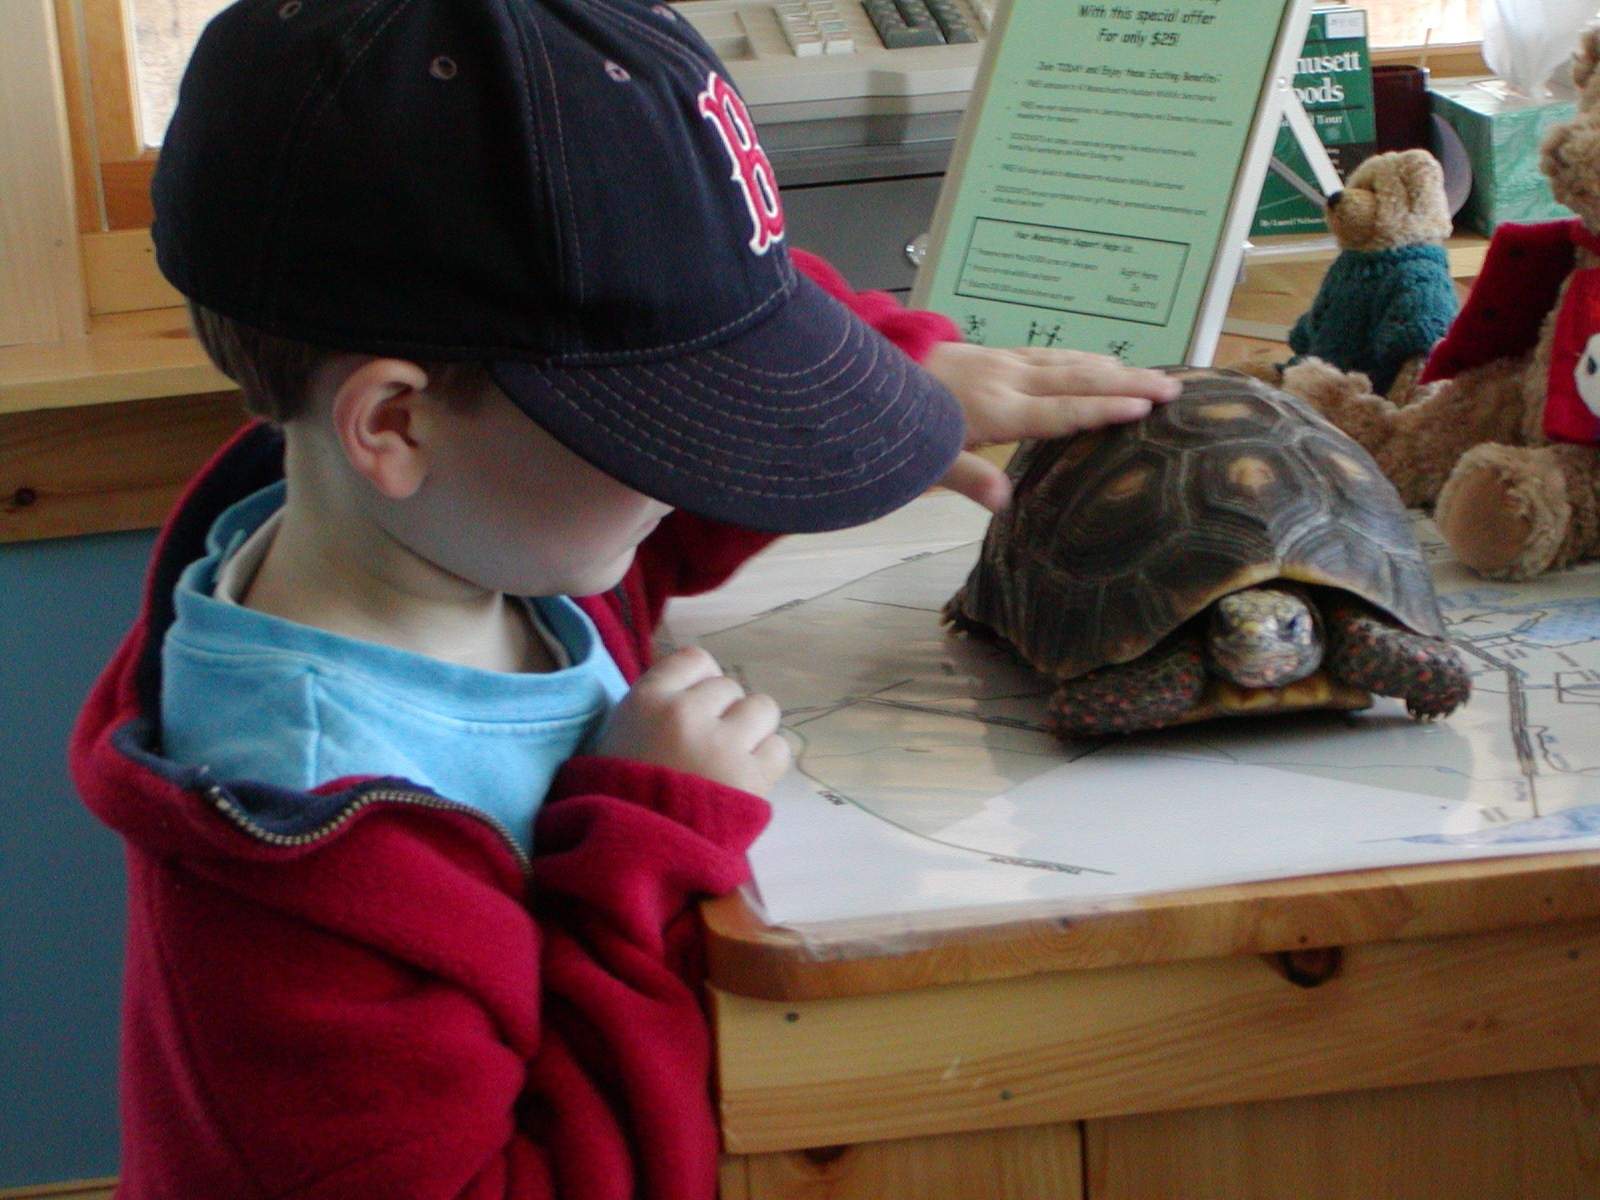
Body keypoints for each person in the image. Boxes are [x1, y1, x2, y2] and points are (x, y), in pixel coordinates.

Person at [70, 0, 1177, 1197]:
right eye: (667, 426)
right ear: (393, 422)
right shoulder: (308, 852)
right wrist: (646, 838)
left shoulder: (452, 547)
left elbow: (617, 511)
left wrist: (877, 383)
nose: (695, 469)